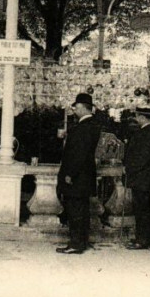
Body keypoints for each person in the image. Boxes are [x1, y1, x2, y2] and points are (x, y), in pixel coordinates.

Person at [56, 93, 101, 255]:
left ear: (82, 107)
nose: (74, 110)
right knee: (81, 211)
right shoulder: (90, 125)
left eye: (76, 107)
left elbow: (79, 154)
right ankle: (81, 242)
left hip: (77, 178)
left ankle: (76, 244)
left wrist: (70, 174)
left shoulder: (84, 127)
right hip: (84, 177)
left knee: (75, 211)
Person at [123, 106, 150, 250]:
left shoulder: (148, 133)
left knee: (142, 209)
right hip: (142, 177)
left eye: (137, 116)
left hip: (143, 177)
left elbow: (143, 158)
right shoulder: (147, 131)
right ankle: (141, 237)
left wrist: (129, 168)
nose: (136, 119)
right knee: (141, 209)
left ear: (142, 117)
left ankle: (143, 240)